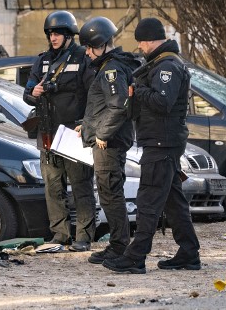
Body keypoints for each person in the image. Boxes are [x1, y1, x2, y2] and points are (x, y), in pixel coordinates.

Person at [104, 17, 201, 274]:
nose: (140, 49)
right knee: (173, 202)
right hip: (161, 142)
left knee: (147, 201)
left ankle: (136, 256)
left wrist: (138, 89)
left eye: (141, 44)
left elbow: (162, 102)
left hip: (162, 143)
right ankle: (189, 253)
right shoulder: (160, 64)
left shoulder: (167, 66)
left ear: (148, 40)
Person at [23, 10, 96, 251]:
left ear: (69, 35)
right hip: (47, 134)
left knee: (81, 186)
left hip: (73, 133)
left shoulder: (81, 58)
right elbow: (28, 92)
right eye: (51, 33)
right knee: (53, 187)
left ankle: (84, 236)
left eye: (58, 34)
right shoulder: (43, 60)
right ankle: (60, 234)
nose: (53, 38)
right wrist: (33, 93)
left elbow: (93, 94)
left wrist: (86, 123)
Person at [77, 16, 142, 267]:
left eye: (89, 47)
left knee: (110, 194)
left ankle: (118, 247)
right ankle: (118, 243)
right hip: (109, 139)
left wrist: (102, 134)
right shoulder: (112, 66)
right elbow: (107, 106)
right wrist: (88, 126)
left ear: (101, 44)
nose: (87, 52)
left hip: (109, 143)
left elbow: (117, 107)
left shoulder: (112, 70)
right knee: (109, 193)